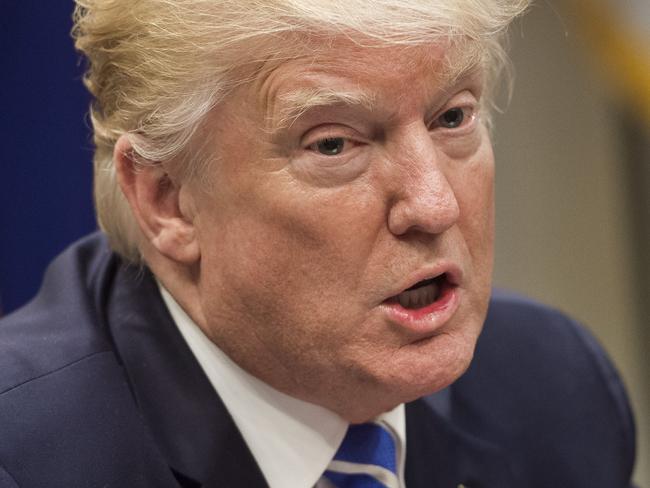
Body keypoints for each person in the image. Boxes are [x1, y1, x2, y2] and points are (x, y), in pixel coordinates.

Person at [0, 0, 637, 487]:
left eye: (453, 117)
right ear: (169, 200)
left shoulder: (557, 391)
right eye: (333, 144)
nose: (434, 204)